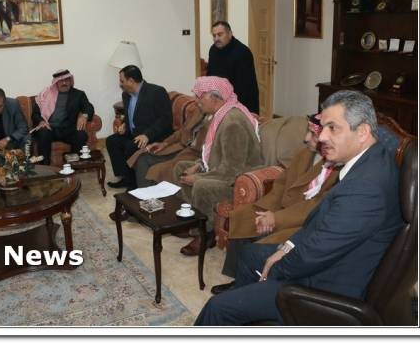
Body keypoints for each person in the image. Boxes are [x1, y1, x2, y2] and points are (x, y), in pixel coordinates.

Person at [195, 90, 403, 326]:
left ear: (363, 132)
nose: (321, 137)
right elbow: (322, 226)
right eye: (322, 128)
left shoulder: (367, 187)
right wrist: (287, 247)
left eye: (332, 128)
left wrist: (274, 268)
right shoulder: (369, 161)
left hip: (323, 290)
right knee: (252, 255)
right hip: (322, 263)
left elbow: (314, 253)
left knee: (218, 308)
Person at [210, 112, 340, 295]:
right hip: (281, 209)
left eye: (312, 134)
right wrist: (266, 209)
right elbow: (281, 184)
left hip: (301, 222)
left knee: (259, 244)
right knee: (243, 216)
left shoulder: (337, 168)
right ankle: (238, 279)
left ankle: (251, 286)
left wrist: (276, 218)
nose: (305, 138)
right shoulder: (305, 154)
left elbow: (316, 206)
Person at [173, 76, 262, 256]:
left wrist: (198, 177)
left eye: (200, 96)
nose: (196, 101)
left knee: (201, 185)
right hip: (225, 171)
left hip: (239, 182)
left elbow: (232, 171)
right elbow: (216, 154)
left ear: (215, 97)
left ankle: (205, 234)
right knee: (180, 168)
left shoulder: (233, 122)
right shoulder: (221, 115)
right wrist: (198, 166)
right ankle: (192, 221)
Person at [106, 65, 173, 200]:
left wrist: (147, 135)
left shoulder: (157, 92)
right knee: (112, 141)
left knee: (130, 146)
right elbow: (130, 114)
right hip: (135, 133)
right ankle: (126, 177)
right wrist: (125, 124)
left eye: (122, 81)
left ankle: (134, 184)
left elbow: (166, 119)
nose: (120, 84)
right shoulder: (126, 94)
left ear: (131, 81)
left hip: (153, 135)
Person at [127, 102, 210, 187]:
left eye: (201, 97)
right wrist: (165, 143)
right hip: (179, 147)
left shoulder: (216, 122)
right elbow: (182, 131)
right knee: (142, 158)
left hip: (194, 155)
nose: (197, 101)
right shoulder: (198, 111)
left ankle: (152, 193)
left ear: (214, 99)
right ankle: (142, 193)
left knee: (156, 170)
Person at [31, 69, 95, 165]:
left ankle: (73, 165)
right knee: (43, 133)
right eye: (61, 81)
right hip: (49, 128)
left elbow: (89, 107)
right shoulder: (46, 94)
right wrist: (41, 122)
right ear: (56, 82)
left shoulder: (78, 94)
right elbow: (35, 113)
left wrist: (84, 116)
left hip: (68, 129)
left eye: (67, 80)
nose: (64, 83)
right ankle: (45, 168)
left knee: (81, 135)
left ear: (70, 81)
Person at [207, 21, 259, 114]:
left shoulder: (242, 52)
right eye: (214, 35)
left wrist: (232, 107)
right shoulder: (213, 50)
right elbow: (210, 75)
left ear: (230, 34)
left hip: (241, 104)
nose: (216, 38)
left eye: (220, 34)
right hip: (219, 102)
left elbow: (245, 86)